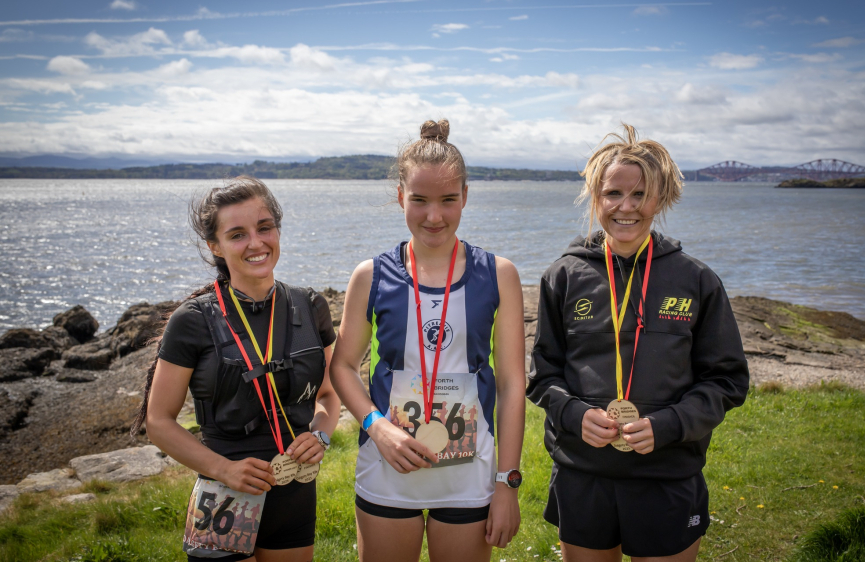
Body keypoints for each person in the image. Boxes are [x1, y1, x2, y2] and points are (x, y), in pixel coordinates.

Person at [526, 125, 750, 562]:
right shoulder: (563, 276)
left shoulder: (696, 279)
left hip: (667, 474)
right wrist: (574, 414)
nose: (625, 207)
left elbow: (727, 381)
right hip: (583, 474)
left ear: (660, 199)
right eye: (613, 193)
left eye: (640, 194)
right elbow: (543, 375)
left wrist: (669, 424)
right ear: (595, 197)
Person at [329, 120, 526, 562]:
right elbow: (342, 366)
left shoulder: (499, 275)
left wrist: (507, 482)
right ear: (401, 196)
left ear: (465, 197)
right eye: (419, 200)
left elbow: (513, 384)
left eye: (447, 200)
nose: (433, 216)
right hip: (388, 466)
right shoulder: (371, 275)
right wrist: (376, 426)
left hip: (469, 473)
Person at [133, 176, 341, 562]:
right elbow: (158, 421)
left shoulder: (310, 307)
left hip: (294, 492)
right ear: (215, 246)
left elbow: (329, 394)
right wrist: (222, 470)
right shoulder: (192, 320)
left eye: (264, 228)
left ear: (278, 229)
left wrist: (321, 435)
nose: (256, 243)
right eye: (237, 234)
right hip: (222, 494)